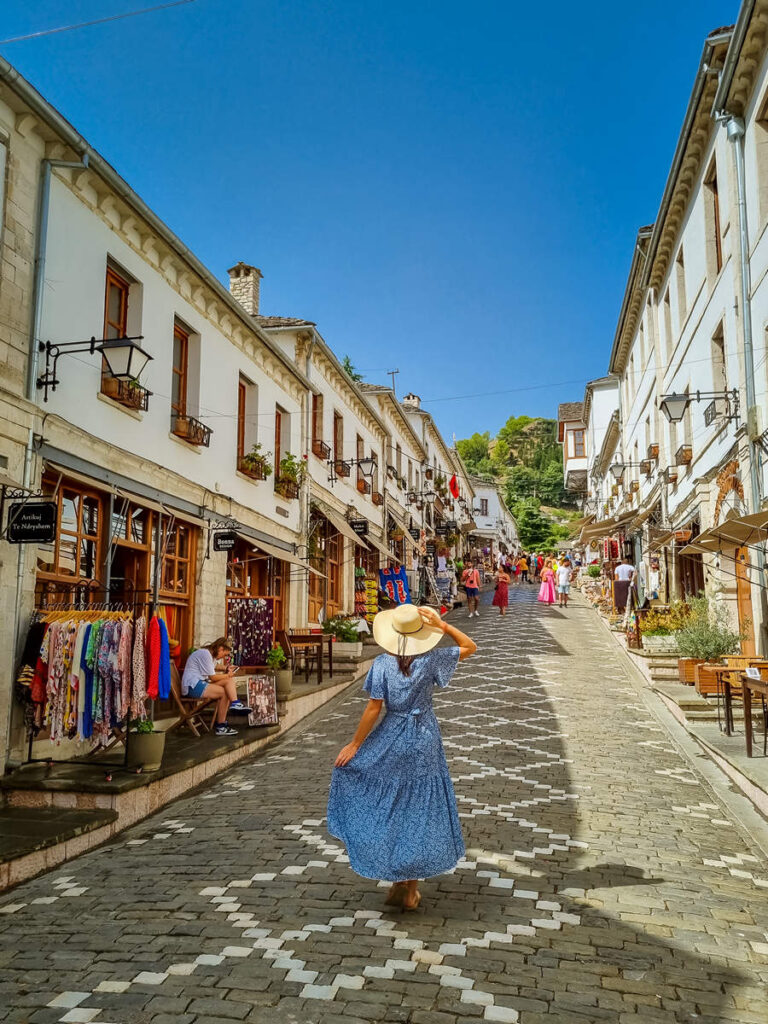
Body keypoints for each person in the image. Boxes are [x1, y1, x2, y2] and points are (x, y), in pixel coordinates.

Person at [327, 604, 477, 911]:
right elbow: (469, 647)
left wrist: (355, 744)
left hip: (392, 734)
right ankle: (409, 887)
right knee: (418, 804)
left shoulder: (382, 663)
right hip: (424, 737)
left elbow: (373, 709)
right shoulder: (432, 658)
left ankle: (399, 878)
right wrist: (444, 626)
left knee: (393, 802)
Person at [181, 637, 249, 737]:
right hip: (192, 686)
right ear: (220, 649)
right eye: (224, 654)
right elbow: (213, 677)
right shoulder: (205, 654)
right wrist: (228, 675)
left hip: (199, 683)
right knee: (224, 690)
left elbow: (215, 666)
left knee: (228, 682)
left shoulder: (210, 654)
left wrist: (227, 668)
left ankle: (234, 704)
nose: (223, 658)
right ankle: (222, 724)